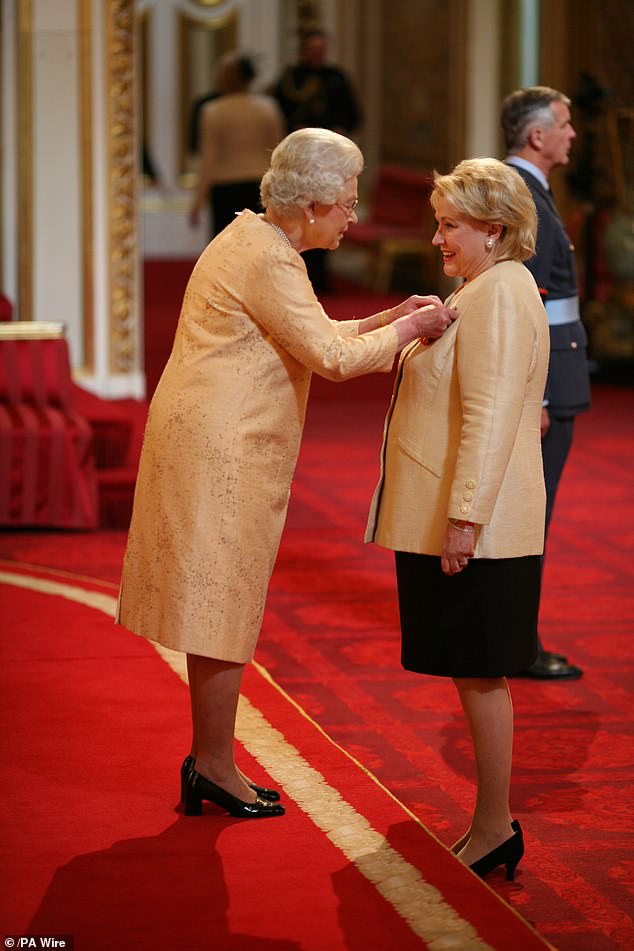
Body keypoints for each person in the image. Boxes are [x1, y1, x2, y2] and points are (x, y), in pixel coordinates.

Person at [116, 128, 457, 821]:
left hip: (217, 435)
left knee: (220, 602)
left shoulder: (259, 241)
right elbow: (331, 357)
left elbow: (314, 331)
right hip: (220, 445)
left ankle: (210, 759)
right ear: (311, 204)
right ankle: (212, 764)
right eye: (347, 205)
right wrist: (412, 331)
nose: (353, 218)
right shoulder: (267, 257)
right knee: (219, 605)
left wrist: (392, 316)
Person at [365, 158, 549, 879]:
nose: (437, 237)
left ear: (494, 229)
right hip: (467, 516)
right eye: (438, 222)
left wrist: (465, 519)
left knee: (480, 673)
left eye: (450, 225)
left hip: (483, 525)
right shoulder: (481, 286)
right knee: (474, 673)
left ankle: (496, 824)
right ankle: (490, 822)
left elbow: (490, 413)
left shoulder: (498, 295)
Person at [502, 86, 591, 680]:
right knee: (531, 518)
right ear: (538, 135)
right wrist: (533, 394)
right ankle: (518, 646)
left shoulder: (526, 190)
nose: (572, 134)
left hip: (557, 374)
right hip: (548, 383)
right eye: (564, 123)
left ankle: (516, 638)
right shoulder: (524, 194)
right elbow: (526, 302)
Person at [271, 30, 362, 292]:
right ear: (304, 50)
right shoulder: (291, 78)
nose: (317, 54)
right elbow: (278, 111)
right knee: (301, 215)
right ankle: (294, 275)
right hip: (300, 162)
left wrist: (340, 129)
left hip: (331, 162)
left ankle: (319, 281)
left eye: (321, 49)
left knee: (327, 216)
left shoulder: (336, 78)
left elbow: (354, 114)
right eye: (313, 49)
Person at [189, 52, 285, 238]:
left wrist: (198, 200)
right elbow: (279, 154)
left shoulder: (212, 110)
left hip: (226, 188)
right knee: (258, 243)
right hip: (259, 185)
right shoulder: (268, 108)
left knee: (227, 246)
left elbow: (209, 158)